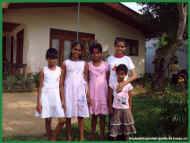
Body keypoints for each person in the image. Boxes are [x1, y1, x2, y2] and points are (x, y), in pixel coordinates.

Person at [62, 41, 90, 141]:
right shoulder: (66, 63)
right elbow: (62, 81)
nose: (77, 52)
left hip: (80, 92)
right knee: (68, 115)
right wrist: (62, 98)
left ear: (81, 52)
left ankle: (81, 137)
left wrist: (88, 94)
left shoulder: (84, 64)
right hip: (68, 91)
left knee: (80, 115)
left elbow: (86, 80)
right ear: (71, 49)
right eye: (75, 49)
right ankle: (69, 136)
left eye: (79, 50)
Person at [35, 48, 65, 140]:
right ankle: (49, 137)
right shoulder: (43, 71)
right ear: (47, 58)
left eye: (55, 58)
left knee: (62, 120)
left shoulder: (60, 70)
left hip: (56, 97)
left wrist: (63, 99)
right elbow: (40, 87)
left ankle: (53, 137)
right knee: (48, 120)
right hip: (46, 97)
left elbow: (61, 86)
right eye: (51, 58)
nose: (53, 60)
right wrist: (38, 103)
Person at [109, 64, 136, 140]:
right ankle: (114, 138)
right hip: (116, 109)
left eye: (122, 74)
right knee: (115, 126)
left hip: (125, 109)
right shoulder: (113, 84)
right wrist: (110, 107)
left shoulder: (128, 85)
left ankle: (126, 138)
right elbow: (109, 96)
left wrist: (130, 108)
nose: (120, 76)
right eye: (118, 74)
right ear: (116, 73)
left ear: (125, 74)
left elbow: (130, 98)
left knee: (126, 126)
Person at [88, 42, 109, 140]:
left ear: (101, 53)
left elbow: (108, 80)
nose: (95, 55)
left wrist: (109, 95)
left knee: (102, 116)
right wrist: (87, 95)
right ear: (91, 54)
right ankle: (92, 133)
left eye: (98, 53)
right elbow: (87, 80)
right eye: (93, 53)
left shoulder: (106, 65)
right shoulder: (88, 65)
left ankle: (101, 134)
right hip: (93, 94)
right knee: (94, 115)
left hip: (103, 94)